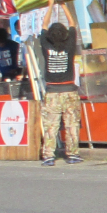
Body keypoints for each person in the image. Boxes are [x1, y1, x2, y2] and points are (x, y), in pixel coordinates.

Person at [38, 21, 83, 166]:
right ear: (65, 35)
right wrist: (63, 6)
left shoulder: (46, 45)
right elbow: (73, 25)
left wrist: (50, 5)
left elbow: (44, 26)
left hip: (52, 92)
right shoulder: (69, 45)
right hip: (69, 90)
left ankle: (49, 156)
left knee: (51, 126)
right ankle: (72, 154)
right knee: (72, 125)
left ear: (49, 36)